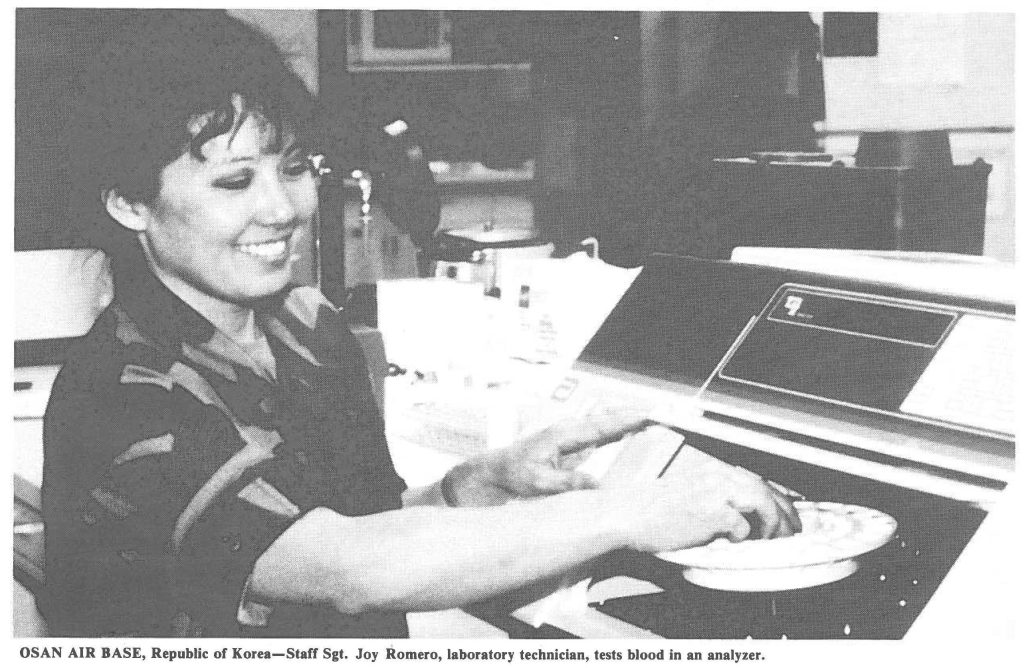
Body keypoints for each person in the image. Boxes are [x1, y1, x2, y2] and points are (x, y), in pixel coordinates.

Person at [42, 10, 798, 638]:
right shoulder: (124, 395)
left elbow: (371, 522)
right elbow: (347, 568)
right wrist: (630, 513)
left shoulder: (309, 331)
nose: (282, 209)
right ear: (130, 203)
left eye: (297, 166)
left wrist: (479, 484)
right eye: (235, 181)